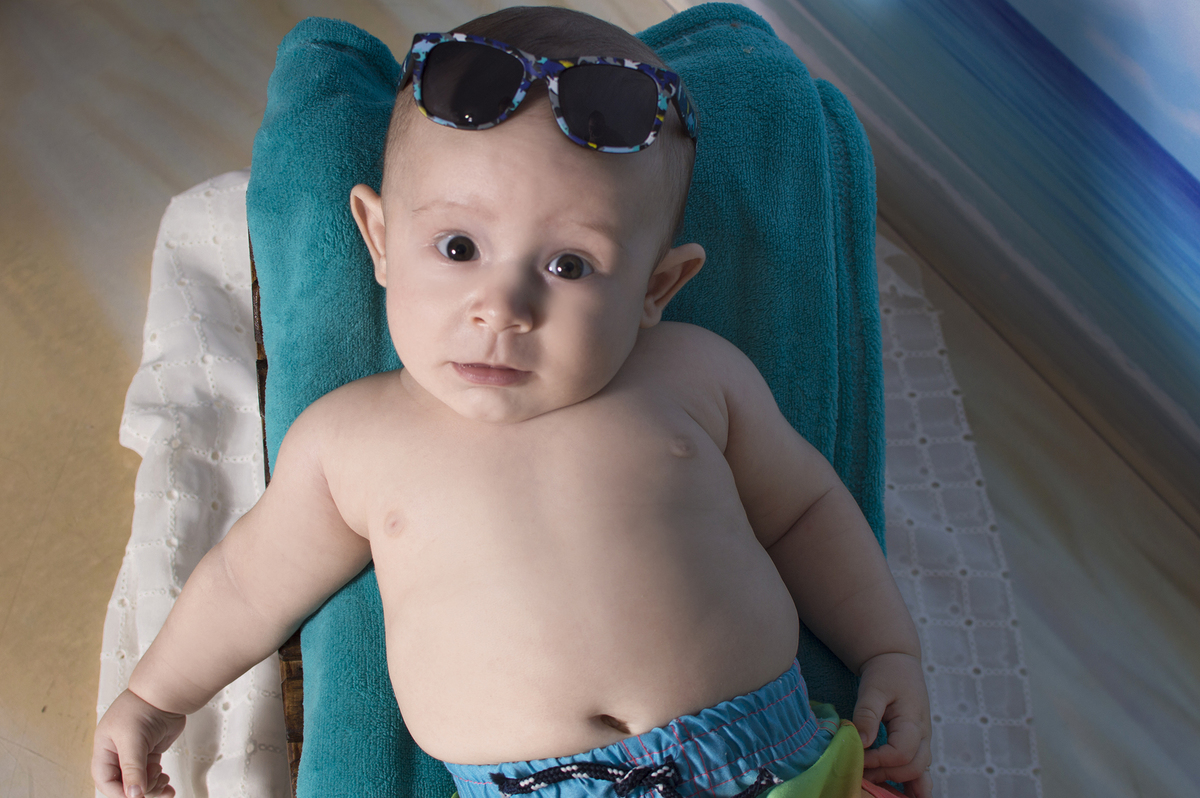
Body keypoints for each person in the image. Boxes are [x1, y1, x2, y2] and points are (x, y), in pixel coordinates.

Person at [92, 7, 931, 798]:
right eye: (458, 247)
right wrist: (156, 699)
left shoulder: (693, 375)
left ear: (658, 286)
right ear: (380, 239)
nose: (504, 307)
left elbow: (808, 511)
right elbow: (246, 583)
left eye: (570, 266)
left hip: (777, 761)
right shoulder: (354, 440)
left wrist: (886, 649)